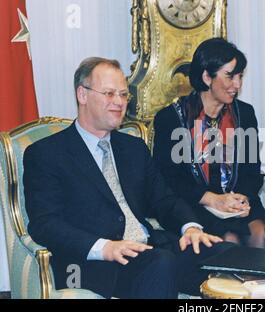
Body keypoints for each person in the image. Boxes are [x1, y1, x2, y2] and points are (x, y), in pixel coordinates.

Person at [23, 57, 230, 299]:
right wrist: (105, 248)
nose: (119, 102)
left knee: (225, 255)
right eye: (110, 94)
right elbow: (45, 224)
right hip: (92, 265)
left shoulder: (133, 148)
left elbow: (163, 199)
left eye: (123, 95)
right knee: (161, 264)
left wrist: (191, 227)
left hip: (151, 248)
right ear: (82, 94)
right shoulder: (47, 153)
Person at [153, 38, 265, 249]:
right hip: (194, 204)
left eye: (240, 76)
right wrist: (212, 199)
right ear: (206, 77)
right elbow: (169, 180)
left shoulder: (244, 114)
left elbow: (253, 171)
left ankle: (258, 282)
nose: (237, 85)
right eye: (230, 76)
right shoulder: (172, 118)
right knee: (228, 240)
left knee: (259, 234)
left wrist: (241, 199)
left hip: (238, 204)